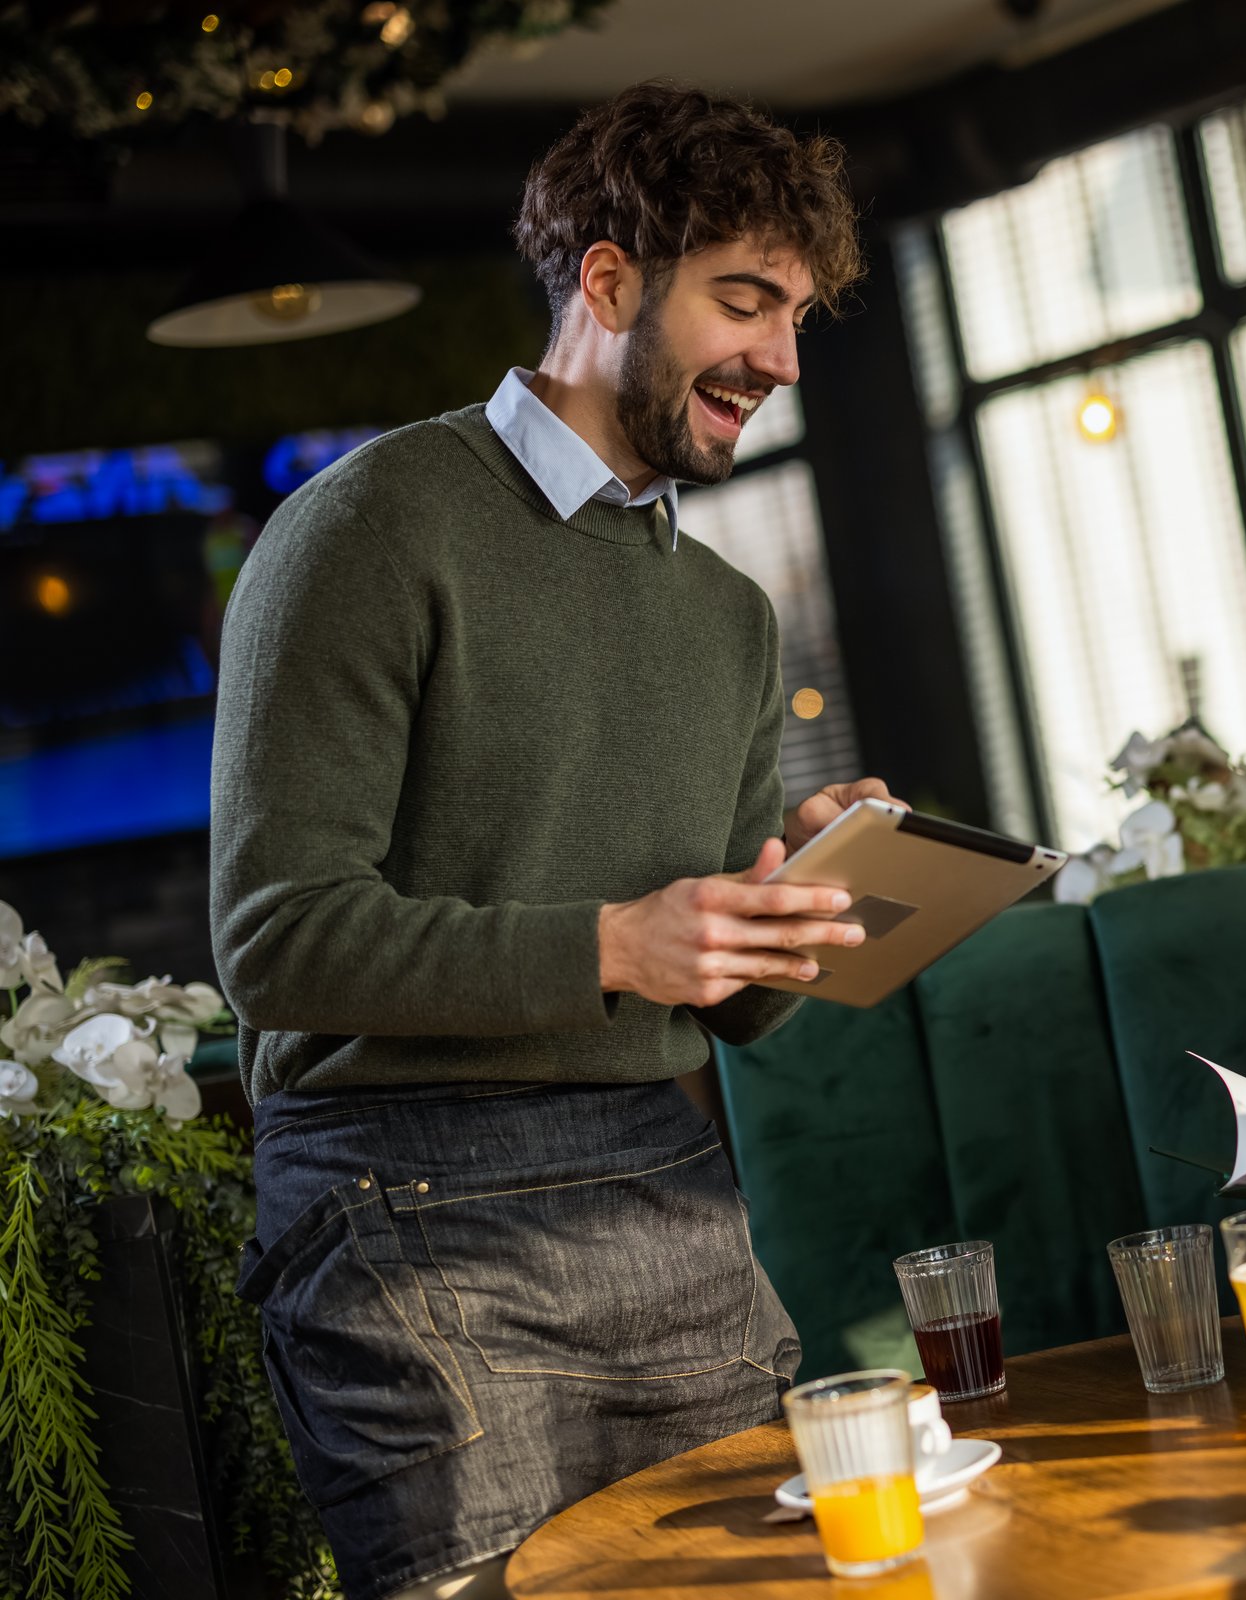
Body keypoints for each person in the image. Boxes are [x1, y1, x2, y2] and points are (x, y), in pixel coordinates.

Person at [213, 84, 878, 1600]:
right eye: (746, 302)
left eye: (797, 316)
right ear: (608, 282)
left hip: (676, 1209)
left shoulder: (727, 616)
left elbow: (718, 999)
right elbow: (276, 941)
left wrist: (806, 901)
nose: (780, 358)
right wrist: (613, 943)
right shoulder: (372, 526)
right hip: (414, 1238)